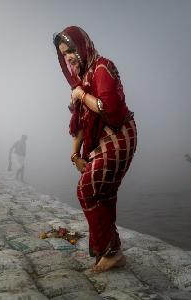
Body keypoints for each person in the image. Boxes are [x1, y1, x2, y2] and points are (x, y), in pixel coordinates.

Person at [53, 26, 137, 272]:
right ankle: (110, 251)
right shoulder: (82, 77)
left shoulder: (101, 68)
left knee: (87, 189)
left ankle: (111, 252)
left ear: (82, 46)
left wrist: (81, 95)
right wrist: (74, 155)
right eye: (63, 53)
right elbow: (81, 122)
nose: (68, 56)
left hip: (120, 133)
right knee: (103, 194)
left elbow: (108, 108)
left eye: (70, 50)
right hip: (101, 138)